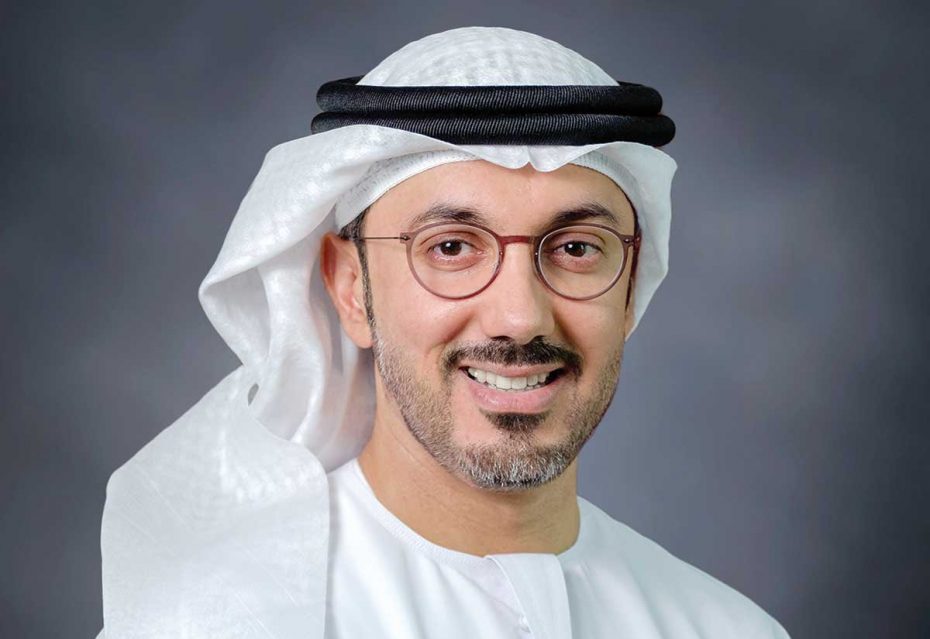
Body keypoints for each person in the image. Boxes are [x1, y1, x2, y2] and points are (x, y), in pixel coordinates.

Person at [97, 27, 790, 638]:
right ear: (351, 287)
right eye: (451, 247)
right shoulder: (214, 624)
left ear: (632, 286)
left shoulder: (725, 628)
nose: (519, 317)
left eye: (577, 248)